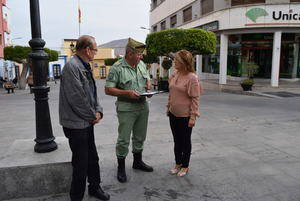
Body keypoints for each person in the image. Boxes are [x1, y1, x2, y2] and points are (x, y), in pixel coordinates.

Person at [59, 35, 110, 201]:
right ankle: (76, 197)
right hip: (76, 125)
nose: (95, 52)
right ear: (87, 50)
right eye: (95, 49)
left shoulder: (85, 66)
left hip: (86, 122)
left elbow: (92, 94)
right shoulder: (71, 67)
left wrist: (99, 111)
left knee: (93, 158)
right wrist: (92, 115)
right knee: (81, 164)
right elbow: (77, 99)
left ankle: (94, 188)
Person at [105, 38, 153, 183]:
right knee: (123, 139)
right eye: (138, 54)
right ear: (129, 53)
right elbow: (108, 89)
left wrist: (148, 88)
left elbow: (147, 79)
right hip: (126, 107)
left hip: (142, 106)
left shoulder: (142, 64)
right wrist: (127, 93)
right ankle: (121, 168)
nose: (141, 57)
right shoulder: (117, 67)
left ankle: (137, 162)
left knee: (140, 136)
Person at [167, 50, 202, 177]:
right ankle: (178, 163)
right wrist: (168, 107)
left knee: (185, 141)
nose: (174, 62)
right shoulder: (175, 74)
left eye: (176, 60)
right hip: (173, 113)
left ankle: (185, 165)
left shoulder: (192, 77)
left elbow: (195, 98)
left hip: (185, 116)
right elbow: (172, 92)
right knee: (177, 141)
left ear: (184, 62)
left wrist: (193, 116)